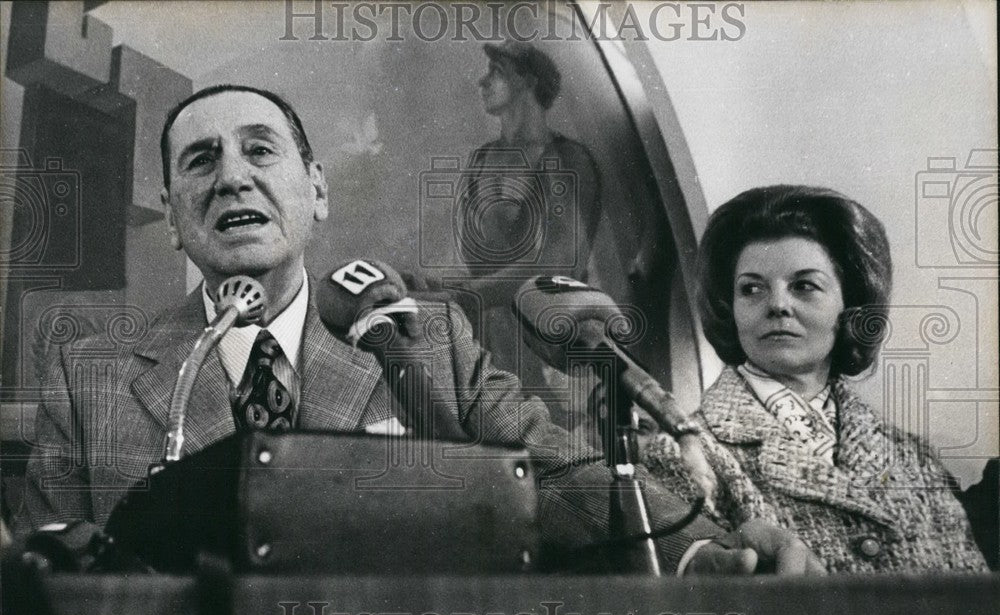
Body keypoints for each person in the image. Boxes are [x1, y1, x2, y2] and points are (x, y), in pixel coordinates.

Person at [15, 84, 820, 576]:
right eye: (200, 160)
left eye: (261, 149)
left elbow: (564, 475)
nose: (232, 174)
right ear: (173, 224)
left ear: (317, 190)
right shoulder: (90, 378)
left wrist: (702, 554)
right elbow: (45, 582)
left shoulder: (426, 343)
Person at [643, 185, 989, 573]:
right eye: (751, 288)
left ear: (850, 305)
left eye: (804, 286)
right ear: (731, 308)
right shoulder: (681, 454)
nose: (777, 304)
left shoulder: (915, 459)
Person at [457, 40, 601, 421]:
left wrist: (460, 294)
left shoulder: (569, 159)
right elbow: (478, 258)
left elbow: (557, 267)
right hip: (493, 350)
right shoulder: (482, 160)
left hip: (552, 349)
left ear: (528, 82)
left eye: (497, 72)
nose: (482, 82)